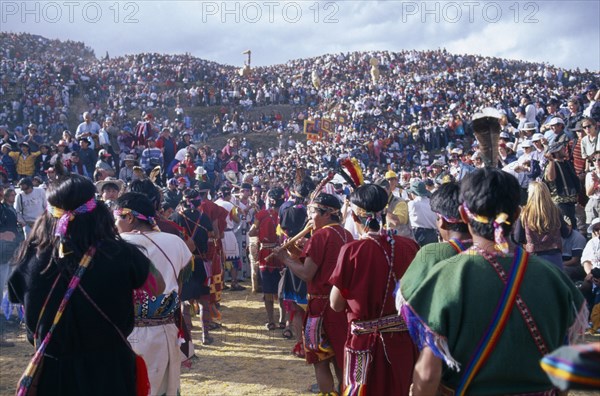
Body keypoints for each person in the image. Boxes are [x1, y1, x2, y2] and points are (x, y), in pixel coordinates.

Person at [398, 167, 587, 395]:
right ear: (517, 215)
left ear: (464, 214)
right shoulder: (554, 278)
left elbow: (427, 375)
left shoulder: (444, 278)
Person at [8, 175, 159, 395]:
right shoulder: (121, 254)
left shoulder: (27, 259)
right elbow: (157, 287)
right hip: (110, 372)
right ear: (97, 210)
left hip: (52, 374)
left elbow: (18, 298)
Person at [329, 183, 420, 395]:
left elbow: (335, 304)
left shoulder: (352, 250)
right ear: (385, 213)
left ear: (354, 216)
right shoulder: (408, 246)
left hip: (365, 342)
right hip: (403, 340)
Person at [115, 192, 191, 396]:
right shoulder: (175, 242)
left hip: (127, 333)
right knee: (165, 388)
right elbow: (180, 284)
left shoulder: (116, 244)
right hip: (167, 331)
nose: (115, 222)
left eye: (117, 216)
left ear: (129, 217)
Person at [276, 193, 352, 395]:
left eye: (312, 212)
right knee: (339, 358)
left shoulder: (321, 236)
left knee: (320, 360)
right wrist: (294, 253)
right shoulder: (346, 234)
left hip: (321, 308)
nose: (309, 218)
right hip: (340, 307)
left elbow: (307, 274)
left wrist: (284, 258)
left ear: (327, 214)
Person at [401, 181, 472, 301]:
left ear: (442, 222)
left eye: (438, 218)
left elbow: (405, 297)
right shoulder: (492, 249)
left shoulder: (429, 253)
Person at [248, 187, 286, 331]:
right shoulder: (283, 213)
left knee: (268, 289)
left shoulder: (262, 214)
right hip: (281, 253)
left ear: (270, 200)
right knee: (281, 288)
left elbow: (252, 232)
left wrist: (260, 230)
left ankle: (271, 321)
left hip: (265, 254)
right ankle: (283, 320)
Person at [513, 181, 569, 269]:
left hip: (534, 257)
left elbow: (517, 238)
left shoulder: (524, 213)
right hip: (554, 255)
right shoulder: (556, 211)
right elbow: (565, 233)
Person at [407, 180, 438, 246]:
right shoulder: (431, 202)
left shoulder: (412, 204)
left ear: (413, 193)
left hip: (419, 234)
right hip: (433, 234)